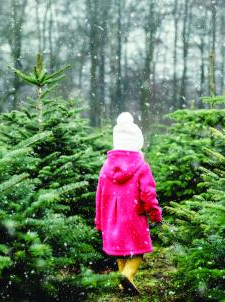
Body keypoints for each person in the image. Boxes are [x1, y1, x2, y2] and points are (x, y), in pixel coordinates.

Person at [95, 112, 162, 295]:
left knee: (120, 251)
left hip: (111, 217)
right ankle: (127, 276)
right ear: (136, 142)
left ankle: (123, 280)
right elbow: (148, 194)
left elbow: (99, 196)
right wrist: (155, 214)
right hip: (133, 216)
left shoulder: (106, 166)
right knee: (137, 251)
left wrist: (99, 221)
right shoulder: (141, 166)